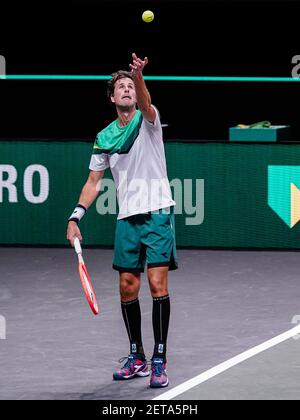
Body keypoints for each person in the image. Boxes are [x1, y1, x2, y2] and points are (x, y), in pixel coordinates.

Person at [66, 53, 177, 388]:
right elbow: (93, 182)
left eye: (131, 86)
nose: (127, 90)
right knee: (128, 288)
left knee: (158, 285)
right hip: (127, 218)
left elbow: (147, 102)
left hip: (158, 213)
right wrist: (76, 216)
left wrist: (140, 76)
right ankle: (137, 356)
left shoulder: (149, 122)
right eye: (122, 87)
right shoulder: (104, 137)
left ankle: (159, 358)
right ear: (113, 98)